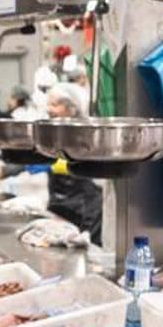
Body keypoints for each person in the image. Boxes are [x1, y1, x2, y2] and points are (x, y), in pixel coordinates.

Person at [42, 82, 104, 242]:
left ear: (72, 108)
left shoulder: (86, 133)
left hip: (85, 212)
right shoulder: (53, 133)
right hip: (59, 209)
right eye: (48, 104)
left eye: (54, 105)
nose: (49, 109)